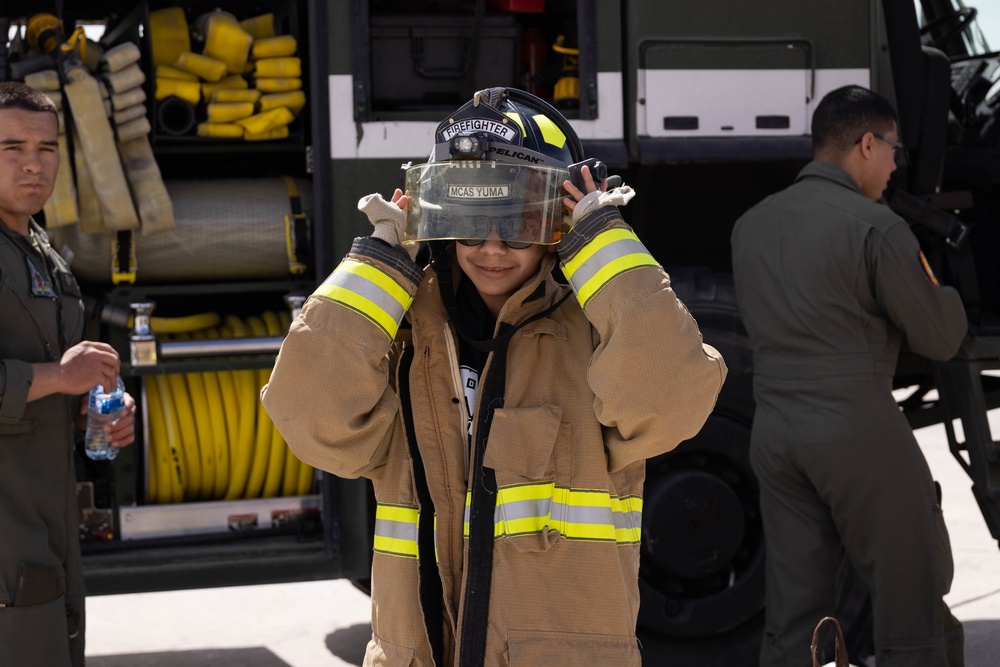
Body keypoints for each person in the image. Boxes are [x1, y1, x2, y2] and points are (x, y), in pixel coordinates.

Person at [263, 87, 727, 666]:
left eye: (516, 223)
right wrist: (380, 260)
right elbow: (312, 418)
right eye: (469, 222)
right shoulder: (402, 335)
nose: (490, 248)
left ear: (558, 219)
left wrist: (604, 246)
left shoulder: (596, 332)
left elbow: (668, 404)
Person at [731, 84, 967, 666]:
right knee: (913, 609)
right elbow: (938, 336)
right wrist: (952, 294)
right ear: (867, 143)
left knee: (796, 622)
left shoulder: (750, 226)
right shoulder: (875, 227)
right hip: (856, 433)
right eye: (893, 151)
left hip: (777, 435)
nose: (894, 166)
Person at [0, 81, 136, 666]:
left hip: (43, 520)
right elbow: (49, 372)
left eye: (46, 148)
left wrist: (90, 406)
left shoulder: (38, 249)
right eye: (11, 148)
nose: (33, 164)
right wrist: (58, 376)